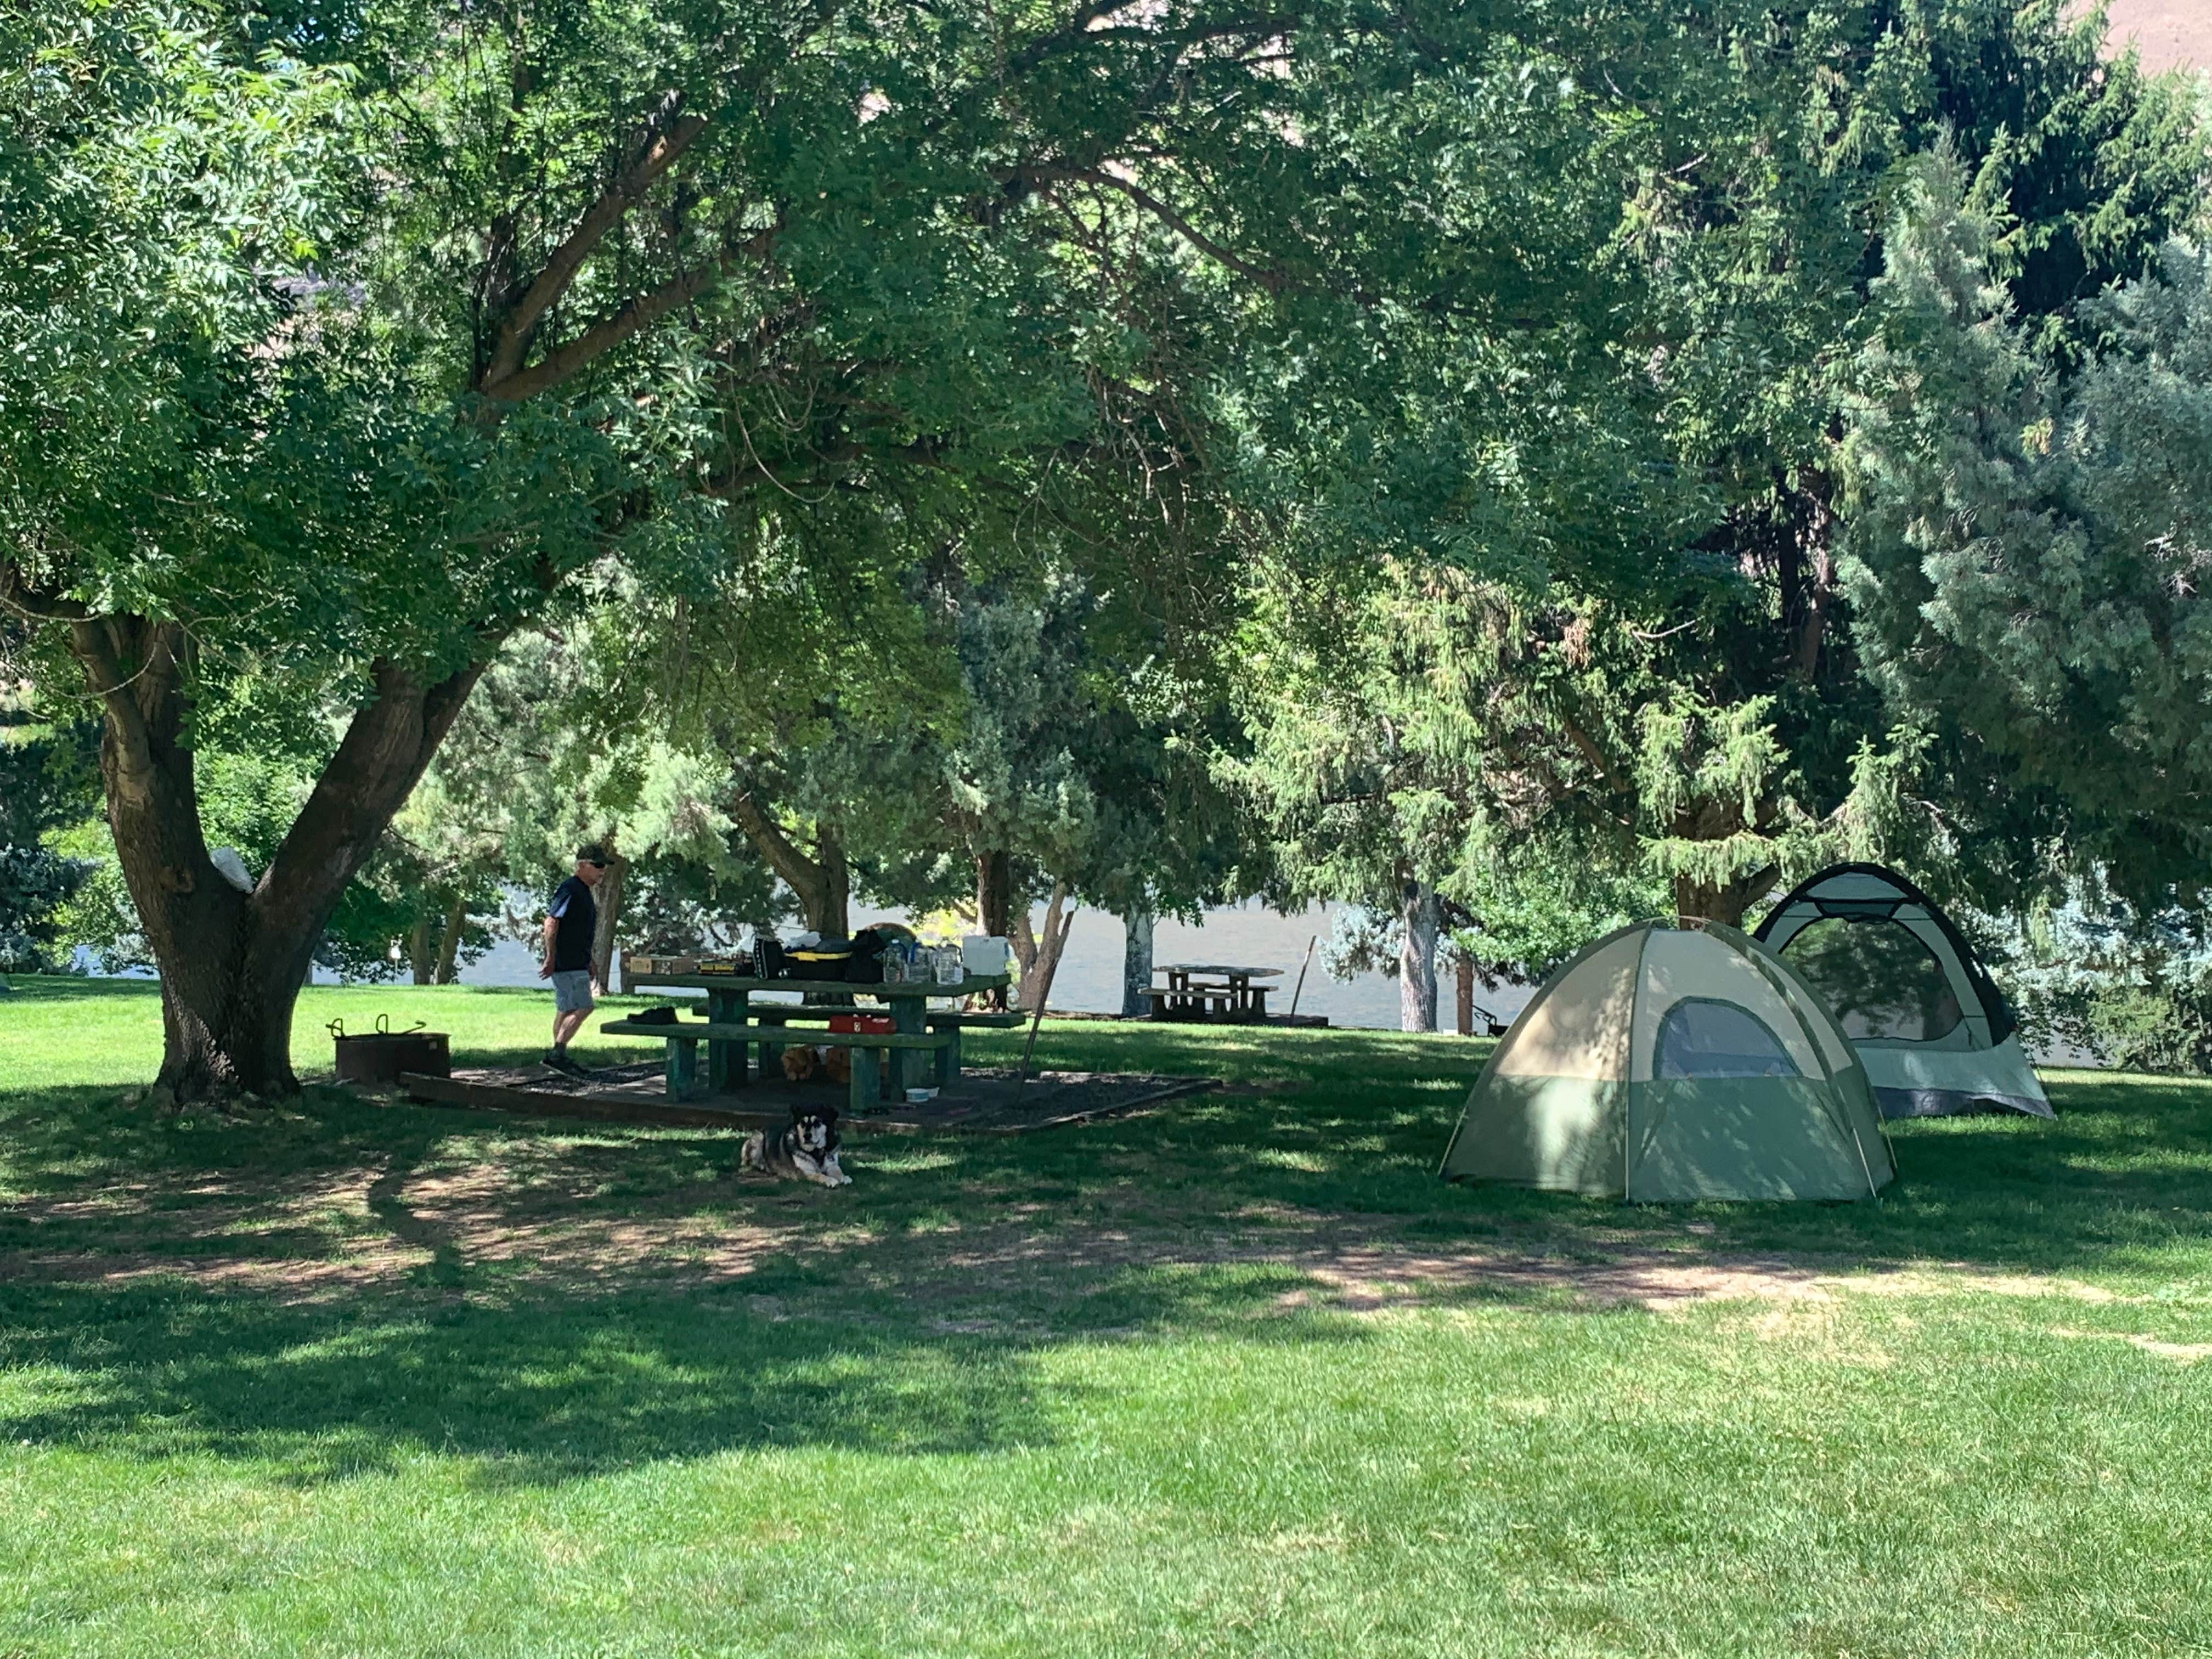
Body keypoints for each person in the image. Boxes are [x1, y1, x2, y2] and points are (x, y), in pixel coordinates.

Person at [540, 846, 608, 1073]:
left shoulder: (583, 891)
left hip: (577, 960)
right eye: (598, 865)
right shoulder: (570, 889)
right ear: (582, 865)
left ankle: (557, 1057)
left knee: (566, 1008)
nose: (603, 870)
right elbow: (551, 922)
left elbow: (578, 930)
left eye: (605, 866)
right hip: (566, 962)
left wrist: (589, 959)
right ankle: (557, 1054)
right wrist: (551, 957)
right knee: (584, 1007)